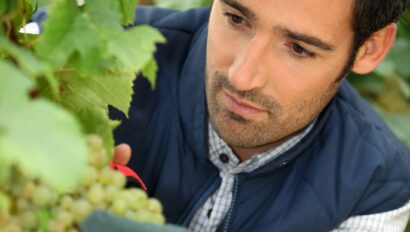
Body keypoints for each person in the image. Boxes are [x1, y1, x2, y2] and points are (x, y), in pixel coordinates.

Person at [109, 0, 410, 231]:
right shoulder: (96, 59)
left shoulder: (377, 187)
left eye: (299, 49)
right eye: (236, 19)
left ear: (369, 49)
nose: (241, 77)